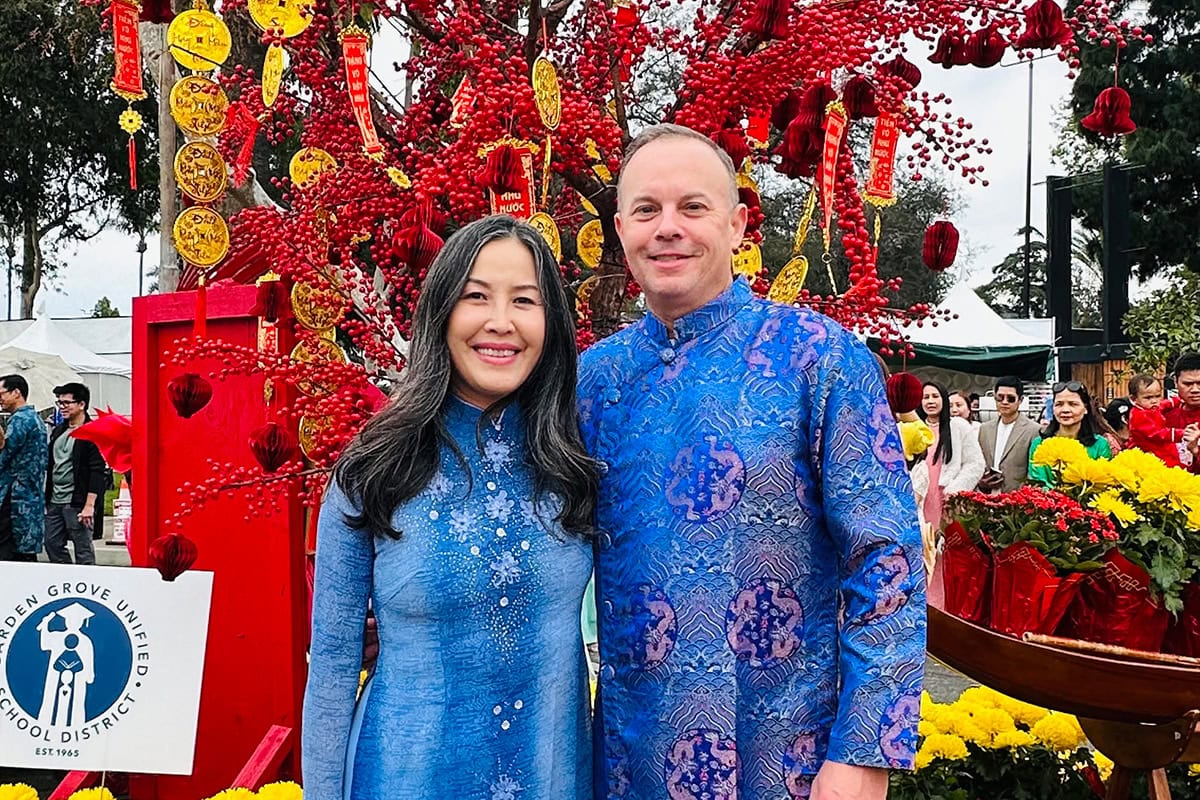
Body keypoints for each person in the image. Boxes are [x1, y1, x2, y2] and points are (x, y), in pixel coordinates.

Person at [578, 124, 925, 800]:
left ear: (737, 224)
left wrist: (864, 753)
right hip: (628, 761)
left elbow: (886, 562)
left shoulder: (819, 357)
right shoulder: (594, 379)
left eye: (693, 207)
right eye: (646, 210)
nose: (667, 228)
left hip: (790, 758)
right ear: (621, 230)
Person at [302, 216, 597, 800]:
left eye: (524, 300)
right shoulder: (373, 472)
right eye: (476, 296)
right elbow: (332, 669)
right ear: (441, 312)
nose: (500, 321)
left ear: (551, 324)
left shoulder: (575, 465)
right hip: (402, 780)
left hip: (553, 780)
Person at [44, 383, 108, 565]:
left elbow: (97, 471)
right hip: (55, 499)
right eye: (59, 403)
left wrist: (89, 505)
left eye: (67, 403)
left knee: (83, 548)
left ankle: (86, 578)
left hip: (77, 501)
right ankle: (65, 574)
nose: (62, 407)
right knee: (52, 543)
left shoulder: (92, 432)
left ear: (81, 404)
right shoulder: (59, 430)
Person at [910, 381, 986, 529]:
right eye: (926, 397)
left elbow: (975, 463)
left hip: (946, 497)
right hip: (919, 495)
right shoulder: (914, 428)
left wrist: (955, 491)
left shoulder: (958, 426)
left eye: (935, 396)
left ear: (944, 399)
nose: (930, 401)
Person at [0, 374, 48, 562]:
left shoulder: (20, 420)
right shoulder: (35, 419)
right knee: (25, 554)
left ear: (16, 392)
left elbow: (5, 455)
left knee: (8, 552)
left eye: (1, 394)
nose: (0, 399)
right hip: (31, 495)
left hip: (14, 497)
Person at [1028, 381, 1112, 487]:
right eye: (1059, 404)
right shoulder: (1039, 444)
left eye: (1073, 404)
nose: (1065, 410)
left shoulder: (1100, 445)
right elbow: (1038, 483)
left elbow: (1103, 482)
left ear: (1086, 409)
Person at [976, 376, 1041, 493]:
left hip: (1017, 497)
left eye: (1010, 398)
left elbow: (1034, 471)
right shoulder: (984, 428)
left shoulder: (1034, 430)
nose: (1004, 402)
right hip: (987, 495)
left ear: (1020, 400)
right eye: (1000, 397)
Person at [1163, 353, 1200, 471]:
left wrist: (1196, 451)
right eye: (1187, 384)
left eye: (1199, 383)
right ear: (1175, 381)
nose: (1195, 390)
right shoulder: (1163, 416)